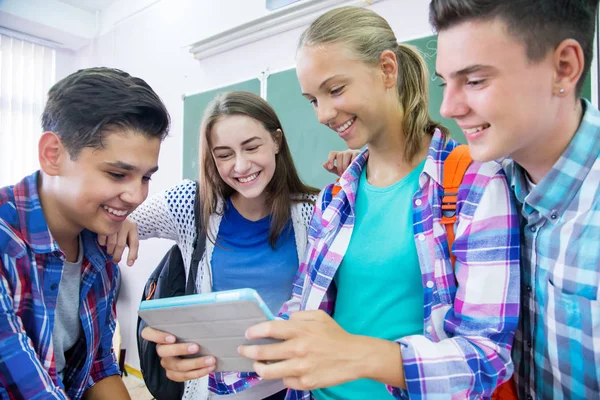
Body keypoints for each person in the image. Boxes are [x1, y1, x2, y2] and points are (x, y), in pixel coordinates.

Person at [144, 6, 521, 399]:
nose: (323, 114)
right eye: (312, 100)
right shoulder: (336, 198)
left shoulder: (473, 184)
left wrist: (355, 354)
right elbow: (305, 313)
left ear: (387, 70)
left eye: (336, 90)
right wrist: (212, 357)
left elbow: (487, 357)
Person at [105, 91, 355, 400]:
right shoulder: (189, 204)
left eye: (251, 147)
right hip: (212, 390)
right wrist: (122, 220)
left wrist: (360, 179)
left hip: (292, 387)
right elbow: (107, 218)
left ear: (276, 141)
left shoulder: (314, 210)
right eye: (224, 154)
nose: (240, 166)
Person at [430, 0, 600, 398]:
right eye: (444, 82)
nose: (449, 107)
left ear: (564, 68)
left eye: (474, 81)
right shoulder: (484, 186)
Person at [0, 67, 170, 399]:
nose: (136, 196)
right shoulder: (6, 240)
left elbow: (96, 367)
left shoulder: (101, 244)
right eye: (118, 174)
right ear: (53, 155)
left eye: (146, 177)